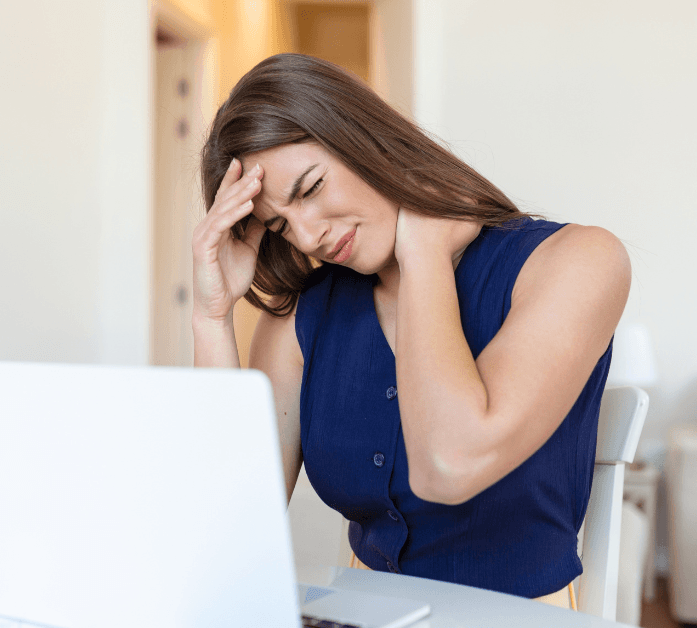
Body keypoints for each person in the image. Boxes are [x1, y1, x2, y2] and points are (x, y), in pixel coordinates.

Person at [190, 54, 630, 609]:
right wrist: (212, 316)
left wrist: (422, 248)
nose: (306, 237)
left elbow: (449, 465)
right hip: (359, 614)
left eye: (311, 189)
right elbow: (231, 530)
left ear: (365, 139)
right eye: (278, 225)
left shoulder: (578, 261)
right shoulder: (299, 318)